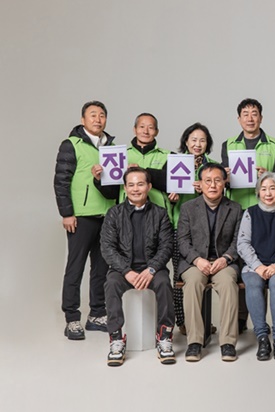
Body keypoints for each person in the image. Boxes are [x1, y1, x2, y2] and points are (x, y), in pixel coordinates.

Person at [222, 98, 275, 333]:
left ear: (261, 117)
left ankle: (265, 320)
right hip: (238, 210)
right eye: (245, 114)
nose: (250, 118)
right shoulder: (228, 144)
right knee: (242, 262)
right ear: (239, 119)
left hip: (266, 211)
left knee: (266, 259)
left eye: (254, 113)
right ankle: (241, 317)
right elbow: (222, 182)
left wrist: (268, 175)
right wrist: (225, 177)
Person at [54, 100, 115, 340]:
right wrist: (67, 213)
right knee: (75, 267)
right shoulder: (71, 144)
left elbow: (114, 185)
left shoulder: (111, 148)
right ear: (83, 120)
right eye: (93, 115)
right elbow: (61, 181)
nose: (98, 119)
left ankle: (97, 314)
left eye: (102, 115)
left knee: (101, 269)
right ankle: (72, 318)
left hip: (106, 217)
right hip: (80, 217)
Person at [100, 167, 175, 366]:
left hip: (153, 268)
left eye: (140, 184)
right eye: (131, 185)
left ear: (149, 186)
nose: (135, 189)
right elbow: (107, 247)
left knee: (164, 284)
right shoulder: (114, 213)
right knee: (111, 284)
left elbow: (167, 246)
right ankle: (116, 339)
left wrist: (152, 269)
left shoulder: (160, 214)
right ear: (125, 188)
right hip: (123, 269)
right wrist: (126, 271)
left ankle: (164, 336)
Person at [177, 163, 242, 362]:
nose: (212, 185)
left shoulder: (235, 208)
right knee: (193, 284)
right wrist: (197, 260)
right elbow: (182, 240)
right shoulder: (188, 208)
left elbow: (239, 240)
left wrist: (226, 258)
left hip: (224, 262)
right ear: (200, 184)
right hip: (195, 262)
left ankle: (228, 342)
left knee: (228, 284)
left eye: (217, 180)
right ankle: (194, 342)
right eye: (208, 181)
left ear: (224, 182)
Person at [237, 172, 275, 361]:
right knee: (253, 283)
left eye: (272, 188)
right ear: (258, 192)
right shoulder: (250, 213)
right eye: (263, 189)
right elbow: (242, 244)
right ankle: (262, 338)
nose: (268, 193)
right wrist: (257, 266)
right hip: (254, 266)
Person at [171, 123, 219, 334]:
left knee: (205, 274)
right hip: (180, 225)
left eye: (202, 140)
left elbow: (221, 196)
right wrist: (172, 197)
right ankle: (183, 321)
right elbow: (166, 195)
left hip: (207, 227)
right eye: (193, 140)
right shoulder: (175, 163)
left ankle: (203, 321)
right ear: (186, 142)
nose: (198, 144)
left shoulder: (213, 167)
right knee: (180, 275)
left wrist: (208, 188)